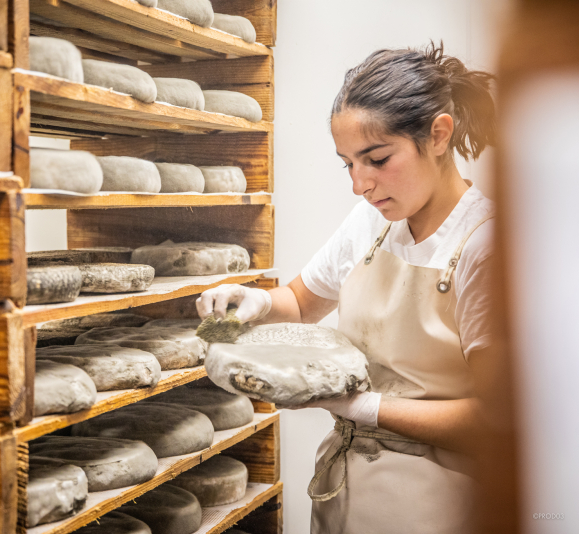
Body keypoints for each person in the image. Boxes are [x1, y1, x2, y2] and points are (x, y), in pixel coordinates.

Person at [196, 42, 496, 534]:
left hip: (438, 502)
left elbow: (497, 423)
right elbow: (299, 303)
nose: (360, 184)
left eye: (376, 159)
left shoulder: (485, 246)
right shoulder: (371, 221)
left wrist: (364, 407)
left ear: (439, 135)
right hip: (345, 485)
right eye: (348, 164)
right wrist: (254, 300)